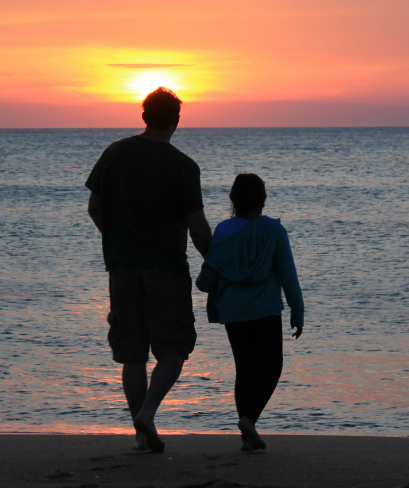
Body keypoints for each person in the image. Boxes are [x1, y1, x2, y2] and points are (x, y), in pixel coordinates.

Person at [85, 87, 212, 453]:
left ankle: (141, 435)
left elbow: (95, 207)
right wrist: (217, 265)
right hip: (167, 269)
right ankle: (149, 414)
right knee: (172, 350)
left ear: (144, 117)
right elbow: (198, 227)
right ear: (176, 120)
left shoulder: (115, 153)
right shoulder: (183, 166)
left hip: (122, 267)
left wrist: (119, 239)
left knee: (133, 353)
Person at [195, 173, 305, 451]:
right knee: (271, 367)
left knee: (245, 369)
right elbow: (287, 273)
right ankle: (249, 420)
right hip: (265, 310)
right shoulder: (273, 230)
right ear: (263, 200)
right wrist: (297, 309)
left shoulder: (222, 231)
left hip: (233, 311)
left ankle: (247, 437)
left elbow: (210, 276)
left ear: (233, 200)